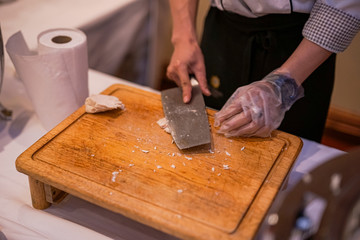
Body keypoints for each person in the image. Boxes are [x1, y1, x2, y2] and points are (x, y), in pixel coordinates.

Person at [166, 0, 360, 142]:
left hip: (302, 44)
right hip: (222, 29)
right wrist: (184, 36)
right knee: (212, 139)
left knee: (287, 162)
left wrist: (281, 84)